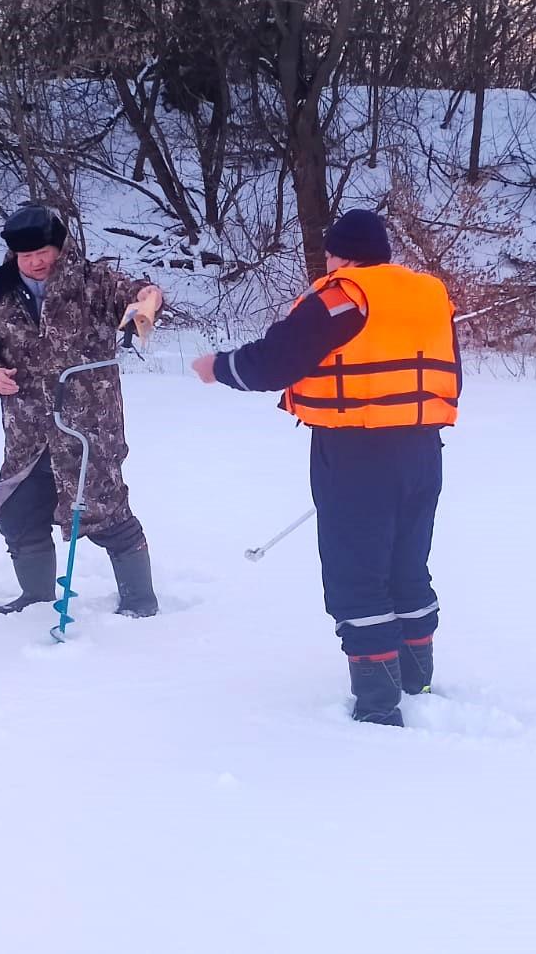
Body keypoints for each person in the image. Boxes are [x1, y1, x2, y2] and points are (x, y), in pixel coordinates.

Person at [192, 209, 459, 725]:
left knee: (357, 576)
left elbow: (276, 360)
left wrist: (218, 367)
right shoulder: (427, 295)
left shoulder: (344, 296)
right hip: (424, 450)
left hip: (357, 453)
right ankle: (417, 681)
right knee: (407, 565)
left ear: (340, 254)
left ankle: (379, 709)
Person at [0, 204, 164, 618]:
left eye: (43, 253)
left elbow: (141, 294)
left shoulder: (92, 283)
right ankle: (35, 600)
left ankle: (141, 601)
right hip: (28, 431)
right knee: (18, 515)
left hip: (88, 429)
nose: (35, 263)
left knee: (106, 515)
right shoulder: (0, 293)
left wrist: (147, 302)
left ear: (60, 247)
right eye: (25, 256)